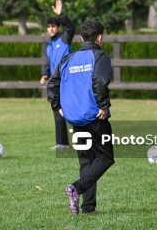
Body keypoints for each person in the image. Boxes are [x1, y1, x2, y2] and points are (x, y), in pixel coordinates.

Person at [47, 20, 114, 215]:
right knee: (105, 157)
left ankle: (87, 208)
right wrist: (103, 105)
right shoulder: (100, 56)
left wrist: (57, 105)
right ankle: (76, 188)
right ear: (99, 37)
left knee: (86, 162)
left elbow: (52, 84)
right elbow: (100, 80)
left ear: (82, 38)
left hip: (75, 119)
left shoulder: (68, 59)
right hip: (95, 117)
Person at [40, 0, 76, 150]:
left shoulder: (64, 39)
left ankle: (85, 139)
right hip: (55, 82)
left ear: (58, 27)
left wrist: (61, 15)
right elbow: (48, 63)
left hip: (67, 80)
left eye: (53, 26)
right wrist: (45, 74)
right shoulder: (50, 45)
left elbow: (71, 28)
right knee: (57, 109)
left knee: (74, 110)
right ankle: (62, 143)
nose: (51, 29)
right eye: (48, 27)